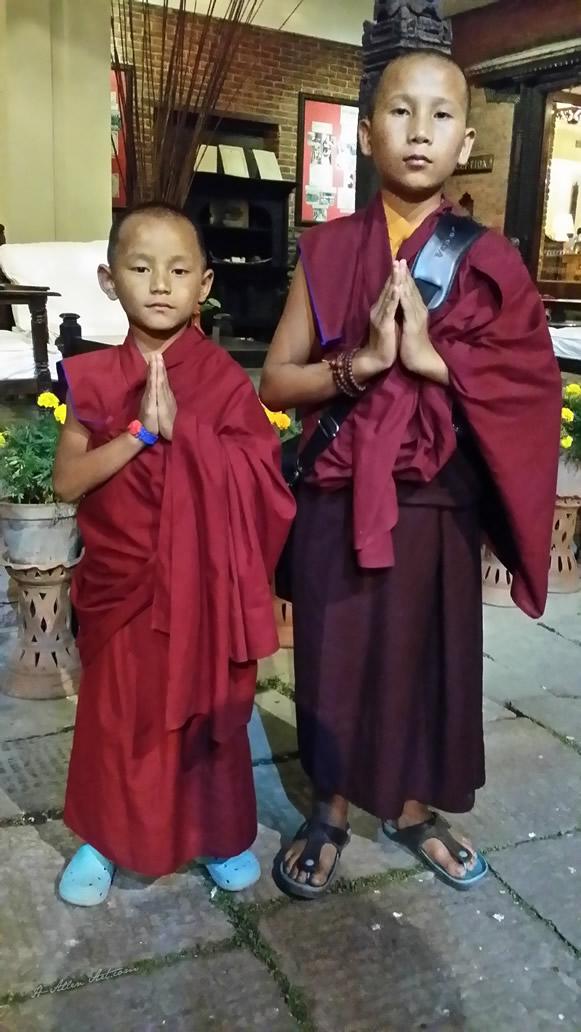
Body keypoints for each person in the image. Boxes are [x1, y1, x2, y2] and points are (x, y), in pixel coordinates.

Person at [260, 49, 561, 898]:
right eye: (399, 111)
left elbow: (529, 390)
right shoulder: (324, 251)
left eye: (438, 115)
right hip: (337, 495)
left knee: (427, 658)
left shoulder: (490, 260)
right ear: (364, 133)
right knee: (332, 654)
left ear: (465, 140)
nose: (418, 131)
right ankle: (330, 807)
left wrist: (432, 362)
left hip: (436, 500)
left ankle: (418, 808)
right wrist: (357, 365)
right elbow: (276, 382)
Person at [54, 201, 294, 905]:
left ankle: (215, 835)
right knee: (117, 717)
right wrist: (142, 435)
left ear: (205, 283)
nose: (160, 282)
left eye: (179, 269)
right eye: (140, 266)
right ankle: (103, 837)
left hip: (204, 592)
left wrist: (191, 435)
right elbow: (68, 482)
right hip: (123, 588)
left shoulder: (220, 378)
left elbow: (264, 482)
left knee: (206, 718)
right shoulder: (92, 378)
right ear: (108, 279)